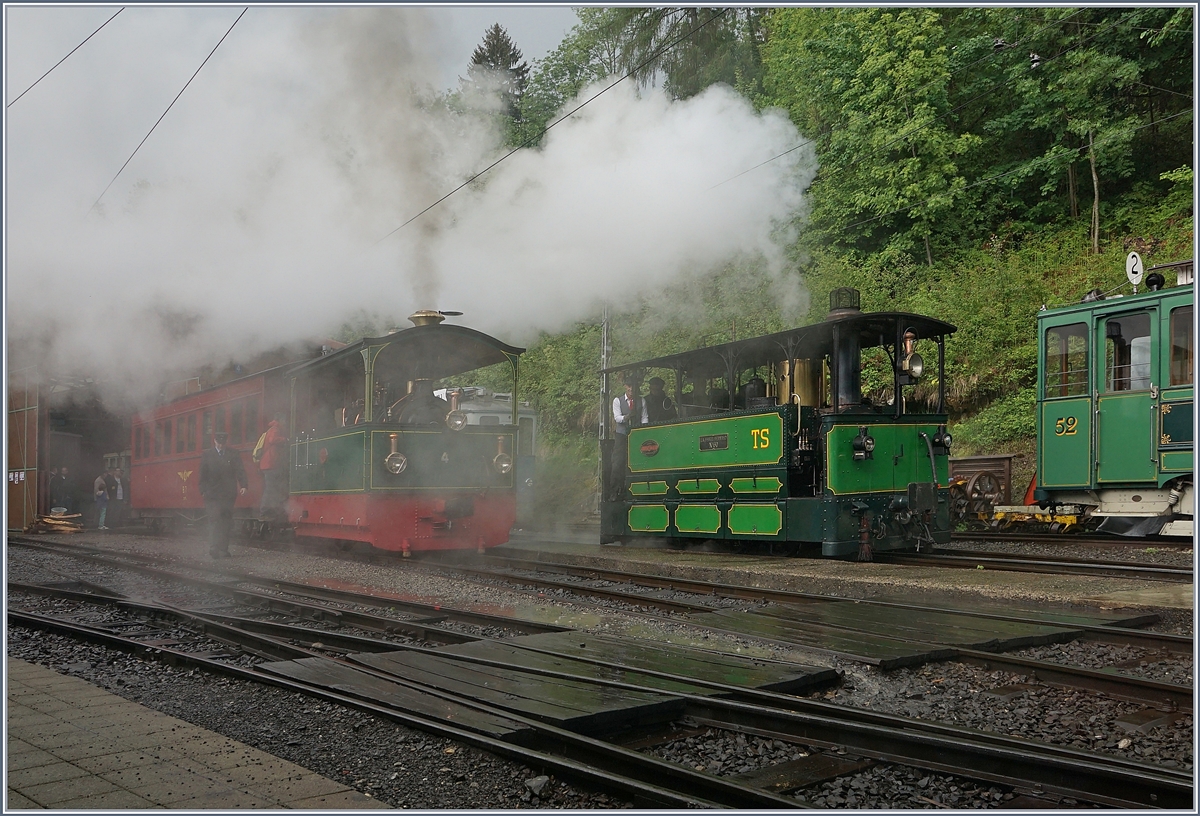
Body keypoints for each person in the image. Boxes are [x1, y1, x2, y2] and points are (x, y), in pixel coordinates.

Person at [199, 431, 247, 558]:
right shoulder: (207, 455)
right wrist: (203, 490)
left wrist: (244, 485)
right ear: (215, 441)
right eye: (219, 443)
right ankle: (213, 547)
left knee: (226, 521)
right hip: (212, 494)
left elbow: (240, 470)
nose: (221, 445)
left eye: (223, 443)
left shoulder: (234, 454)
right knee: (214, 520)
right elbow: (202, 474)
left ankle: (223, 549)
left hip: (228, 494)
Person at [610, 379, 648, 497]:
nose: (631, 389)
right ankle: (615, 491)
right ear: (625, 386)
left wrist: (643, 430)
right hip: (622, 435)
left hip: (637, 435)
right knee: (618, 462)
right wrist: (627, 417)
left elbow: (645, 417)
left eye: (634, 386)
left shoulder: (642, 401)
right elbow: (617, 418)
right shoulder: (617, 401)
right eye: (629, 386)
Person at [257, 414, 289, 520]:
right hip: (270, 464)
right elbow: (272, 440)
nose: (285, 422)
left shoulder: (273, 428)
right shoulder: (275, 429)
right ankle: (264, 512)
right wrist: (285, 440)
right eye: (284, 419)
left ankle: (272, 510)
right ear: (279, 420)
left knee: (273, 488)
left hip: (269, 464)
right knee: (270, 488)